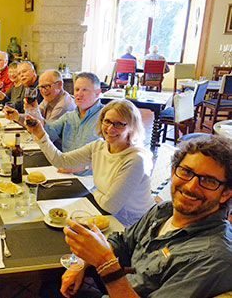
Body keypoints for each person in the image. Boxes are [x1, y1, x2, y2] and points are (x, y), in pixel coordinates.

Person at [58, 135, 232, 298]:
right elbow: (123, 242)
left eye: (209, 181)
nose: (191, 186)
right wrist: (80, 264)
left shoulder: (213, 258)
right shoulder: (164, 210)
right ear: (173, 172)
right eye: (186, 172)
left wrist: (105, 264)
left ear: (225, 193)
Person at [26, 99, 154, 226]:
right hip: (102, 213)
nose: (110, 128)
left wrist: (93, 190)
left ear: (132, 128)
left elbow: (110, 206)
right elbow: (61, 161)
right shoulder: (98, 146)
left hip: (131, 226)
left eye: (119, 124)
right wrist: (41, 135)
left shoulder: (136, 159)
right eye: (107, 121)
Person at [20, 72, 103, 176]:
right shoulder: (70, 116)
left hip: (90, 179)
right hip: (64, 174)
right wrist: (34, 111)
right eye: (77, 89)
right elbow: (49, 131)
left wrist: (84, 167)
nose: (79, 94)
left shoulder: (106, 118)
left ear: (97, 93)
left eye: (85, 90)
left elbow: (114, 157)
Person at [3, 69, 75, 128]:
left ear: (59, 85)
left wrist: (29, 113)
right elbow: (34, 118)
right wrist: (17, 116)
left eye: (47, 86)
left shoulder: (63, 105)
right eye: (40, 87)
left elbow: (47, 132)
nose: (43, 91)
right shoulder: (50, 97)